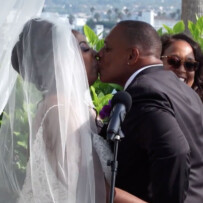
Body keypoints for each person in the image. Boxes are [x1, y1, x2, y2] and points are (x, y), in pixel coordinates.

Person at [97, 20, 203, 203]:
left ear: (132, 56)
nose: (99, 54)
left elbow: (175, 151)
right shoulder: (183, 90)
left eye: (107, 48)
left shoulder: (144, 92)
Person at [161, 33, 203, 102]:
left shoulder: (199, 107)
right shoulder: (144, 100)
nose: (181, 69)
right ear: (159, 60)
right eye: (173, 61)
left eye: (190, 64)